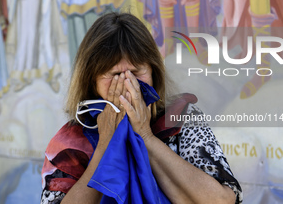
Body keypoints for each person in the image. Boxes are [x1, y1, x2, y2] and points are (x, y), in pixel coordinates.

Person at [41, 12, 242, 204]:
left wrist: (146, 136)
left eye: (136, 73)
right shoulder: (71, 140)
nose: (128, 84)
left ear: (154, 73)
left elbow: (221, 200)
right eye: (114, 75)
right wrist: (105, 146)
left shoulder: (181, 120)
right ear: (91, 81)